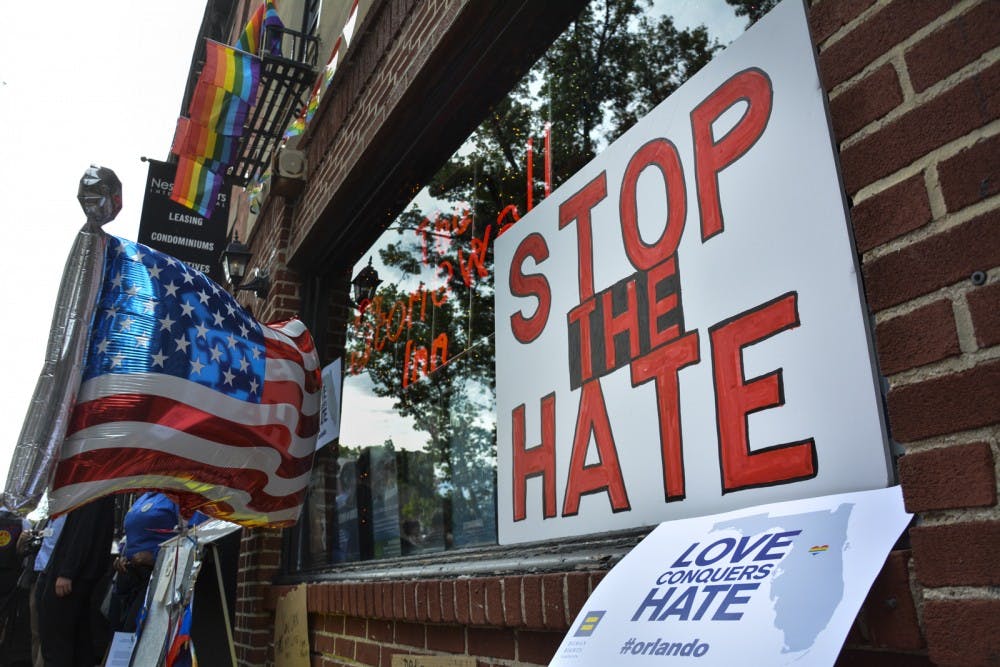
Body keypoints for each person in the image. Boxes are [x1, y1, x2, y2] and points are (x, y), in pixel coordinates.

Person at [109, 492, 205, 635]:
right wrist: (123, 558)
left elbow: (197, 538)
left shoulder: (182, 494)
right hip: (129, 580)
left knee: (135, 635)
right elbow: (132, 537)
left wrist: (155, 557)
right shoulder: (144, 496)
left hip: (159, 582)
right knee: (117, 636)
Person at [37, 496, 115, 667]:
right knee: (77, 640)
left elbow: (84, 529)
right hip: (69, 570)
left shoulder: (92, 488)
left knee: (59, 641)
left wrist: (68, 571)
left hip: (72, 575)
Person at [21, 514, 65, 667]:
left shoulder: (73, 515)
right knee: (36, 632)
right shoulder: (49, 518)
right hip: (39, 575)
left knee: (49, 632)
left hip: (57, 577)